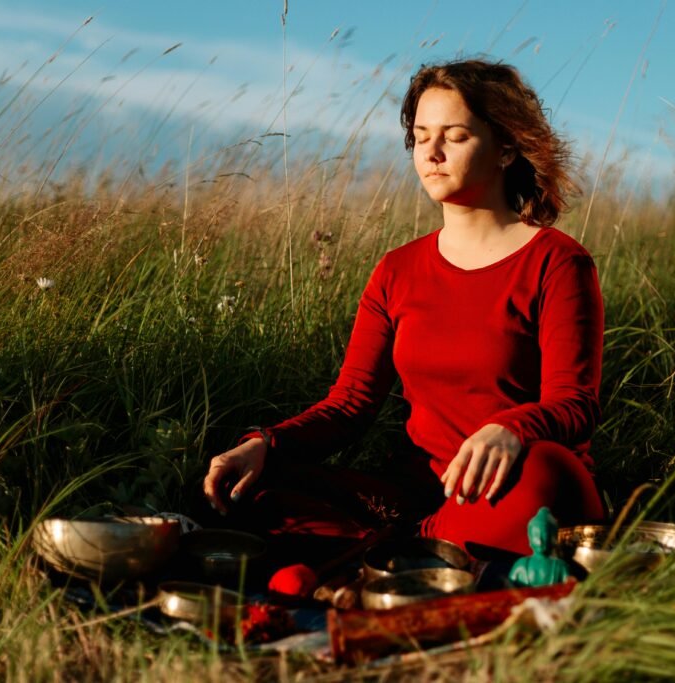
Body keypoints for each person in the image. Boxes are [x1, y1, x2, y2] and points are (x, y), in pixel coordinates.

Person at [203, 58, 605, 558]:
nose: (431, 152)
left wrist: (513, 429)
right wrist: (266, 442)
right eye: (420, 135)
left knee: (544, 472)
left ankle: (390, 559)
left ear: (504, 148)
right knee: (259, 486)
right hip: (417, 498)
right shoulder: (397, 271)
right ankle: (420, 555)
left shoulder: (558, 262)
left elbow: (575, 404)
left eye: (454, 136)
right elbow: (349, 405)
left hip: (512, 491)